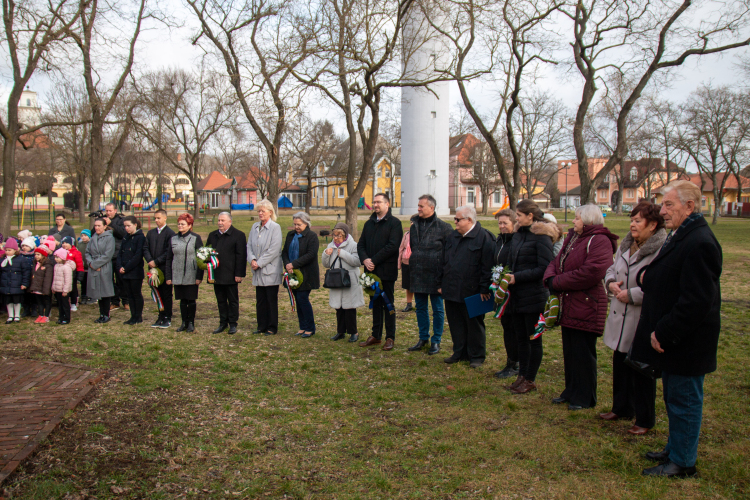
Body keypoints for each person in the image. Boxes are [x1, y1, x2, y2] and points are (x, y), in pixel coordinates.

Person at [630, 181, 722, 478]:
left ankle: (683, 462)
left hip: (686, 342)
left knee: (684, 400)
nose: (662, 210)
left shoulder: (701, 242)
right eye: (663, 204)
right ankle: (675, 448)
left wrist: (664, 331)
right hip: (674, 340)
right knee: (674, 398)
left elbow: (697, 301)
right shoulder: (682, 235)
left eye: (669, 204)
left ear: (690, 206)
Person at [600, 201, 666, 435]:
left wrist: (634, 295)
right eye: (632, 219)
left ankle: (645, 418)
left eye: (638, 220)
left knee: (641, 368)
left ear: (653, 225)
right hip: (620, 314)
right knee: (620, 363)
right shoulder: (626, 245)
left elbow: (662, 285)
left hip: (641, 316)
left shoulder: (662, 249)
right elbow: (611, 269)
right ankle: (621, 407)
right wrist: (611, 284)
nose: (632, 224)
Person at [544, 204, 618, 410]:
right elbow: (556, 261)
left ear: (587, 221)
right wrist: (550, 277)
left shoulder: (600, 240)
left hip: (587, 303)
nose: (573, 221)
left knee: (583, 352)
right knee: (570, 350)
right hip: (569, 302)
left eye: (577, 218)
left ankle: (585, 397)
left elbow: (592, 272)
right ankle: (571, 390)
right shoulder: (573, 237)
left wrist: (557, 282)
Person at [498, 200, 554, 393]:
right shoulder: (518, 236)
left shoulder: (542, 237)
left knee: (534, 339)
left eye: (519, 215)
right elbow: (513, 261)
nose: (517, 218)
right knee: (521, 338)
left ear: (530, 216)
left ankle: (530, 379)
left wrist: (517, 277)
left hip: (534, 297)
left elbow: (544, 268)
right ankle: (521, 375)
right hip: (517, 296)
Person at [440, 205, 495, 368]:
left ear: (469, 220)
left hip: (473, 290)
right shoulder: (452, 237)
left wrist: (485, 288)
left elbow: (488, 265)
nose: (455, 222)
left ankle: (476, 355)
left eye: (458, 219)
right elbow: (444, 260)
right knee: (455, 323)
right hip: (452, 288)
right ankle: (459, 352)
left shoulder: (484, 238)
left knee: (474, 324)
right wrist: (440, 283)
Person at [406, 194, 452, 356]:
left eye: (421, 206)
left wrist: (444, 278)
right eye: (418, 206)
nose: (418, 208)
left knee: (438, 309)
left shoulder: (444, 228)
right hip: (418, 273)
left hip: (436, 276)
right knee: (420, 308)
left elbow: (449, 254)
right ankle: (423, 337)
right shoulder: (414, 226)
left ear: (431, 208)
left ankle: (436, 340)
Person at [357, 193, 403, 351]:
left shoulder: (395, 224)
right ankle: (376, 335)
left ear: (387, 204)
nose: (375, 205)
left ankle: (390, 337)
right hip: (370, 272)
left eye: (379, 202)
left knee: (388, 304)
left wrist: (374, 260)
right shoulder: (369, 223)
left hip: (386, 271)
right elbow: (361, 244)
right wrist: (365, 260)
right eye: (374, 202)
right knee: (375, 303)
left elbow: (392, 246)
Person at [322, 222, 364, 342]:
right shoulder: (331, 245)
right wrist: (325, 254)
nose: (336, 238)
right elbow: (326, 264)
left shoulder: (353, 245)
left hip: (349, 280)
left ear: (345, 236)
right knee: (338, 307)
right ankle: (340, 332)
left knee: (349, 308)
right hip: (335, 279)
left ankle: (353, 332)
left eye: (339, 236)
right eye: (334, 235)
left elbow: (357, 262)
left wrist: (344, 254)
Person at [206, 212, 247, 335]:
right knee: (221, 300)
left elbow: (241, 256)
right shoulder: (212, 235)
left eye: (223, 220)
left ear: (230, 221)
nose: (220, 223)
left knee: (232, 300)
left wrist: (239, 274)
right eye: (219, 220)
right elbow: (206, 253)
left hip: (231, 274)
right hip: (217, 274)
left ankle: (233, 323)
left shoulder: (239, 235)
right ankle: (223, 322)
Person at [247, 200, 283, 336]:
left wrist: (259, 263)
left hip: (270, 270)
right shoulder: (255, 227)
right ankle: (261, 325)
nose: (260, 213)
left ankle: (272, 326)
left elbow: (274, 250)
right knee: (260, 300)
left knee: (270, 300)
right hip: (257, 270)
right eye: (259, 211)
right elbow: (249, 245)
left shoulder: (275, 227)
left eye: (263, 211)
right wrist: (252, 259)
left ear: (270, 212)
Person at [282, 212, 320, 338]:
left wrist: (294, 264)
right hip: (292, 273)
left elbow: (311, 254)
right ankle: (302, 327)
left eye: (299, 224)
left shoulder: (312, 236)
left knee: (303, 299)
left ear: (306, 223)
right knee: (298, 300)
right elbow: (285, 252)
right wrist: (288, 264)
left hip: (306, 273)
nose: (296, 226)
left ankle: (310, 327)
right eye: (295, 224)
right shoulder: (290, 235)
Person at [165, 213, 203, 333]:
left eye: (183, 224)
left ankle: (191, 322)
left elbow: (201, 258)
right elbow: (169, 258)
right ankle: (183, 322)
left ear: (190, 225)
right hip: (177, 274)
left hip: (191, 274)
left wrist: (199, 276)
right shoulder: (173, 239)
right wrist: (169, 276)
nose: (180, 226)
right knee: (182, 300)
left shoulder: (196, 238)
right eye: (179, 224)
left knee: (190, 300)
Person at [493, 209, 518, 379]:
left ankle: (517, 363)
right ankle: (510, 361)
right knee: (506, 327)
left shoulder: (517, 241)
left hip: (514, 291)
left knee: (515, 328)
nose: (502, 226)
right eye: (500, 223)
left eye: (505, 223)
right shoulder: (499, 240)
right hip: (501, 290)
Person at [143, 209, 176, 328]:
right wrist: (150, 261)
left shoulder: (170, 234)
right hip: (153, 270)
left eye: (158, 218)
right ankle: (160, 316)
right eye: (155, 218)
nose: (156, 220)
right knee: (157, 293)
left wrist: (156, 261)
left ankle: (167, 316)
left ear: (165, 218)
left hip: (164, 268)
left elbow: (169, 251)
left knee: (166, 293)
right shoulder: (151, 233)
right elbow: (145, 248)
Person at [117, 216, 146, 325]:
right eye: (125, 226)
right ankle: (132, 316)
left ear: (135, 225)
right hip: (124, 272)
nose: (126, 228)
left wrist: (127, 267)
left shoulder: (140, 237)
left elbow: (138, 256)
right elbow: (120, 253)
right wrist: (120, 266)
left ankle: (138, 316)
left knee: (136, 294)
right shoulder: (125, 238)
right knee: (129, 295)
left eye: (128, 226)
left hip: (135, 272)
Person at [86, 218, 116, 324]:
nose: (97, 228)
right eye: (95, 226)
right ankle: (101, 314)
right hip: (94, 267)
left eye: (99, 225)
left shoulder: (109, 238)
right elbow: (87, 252)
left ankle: (106, 314)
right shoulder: (93, 238)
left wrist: (96, 264)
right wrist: (91, 264)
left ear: (104, 226)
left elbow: (108, 255)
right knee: (97, 291)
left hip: (104, 267)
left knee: (105, 291)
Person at [103, 202, 128, 312]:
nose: (108, 213)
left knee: (121, 279)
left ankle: (126, 301)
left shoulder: (121, 221)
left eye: (110, 211)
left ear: (115, 210)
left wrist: (111, 224)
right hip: (107, 254)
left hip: (118, 254)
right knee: (109, 280)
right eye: (106, 211)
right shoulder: (103, 220)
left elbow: (123, 233)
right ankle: (114, 301)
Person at [0, 238, 31, 323]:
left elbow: (26, 272)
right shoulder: (3, 260)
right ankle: (10, 316)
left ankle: (17, 315)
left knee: (17, 301)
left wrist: (25, 283)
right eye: (6, 250)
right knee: (8, 301)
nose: (7, 252)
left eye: (9, 250)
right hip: (6, 285)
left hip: (17, 285)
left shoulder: (21, 260)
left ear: (15, 250)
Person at [29, 244, 54, 323]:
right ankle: (41, 315)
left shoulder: (48, 265)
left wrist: (46, 290)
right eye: (35, 254)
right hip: (37, 287)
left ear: (43, 255)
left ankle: (46, 316)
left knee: (46, 302)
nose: (36, 256)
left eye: (38, 254)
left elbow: (48, 278)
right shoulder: (35, 264)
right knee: (39, 302)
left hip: (44, 288)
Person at [51, 248, 76, 325]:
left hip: (64, 290)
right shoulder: (56, 266)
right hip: (58, 289)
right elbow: (55, 278)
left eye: (57, 257)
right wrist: (53, 287)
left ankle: (66, 318)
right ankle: (61, 317)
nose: (56, 259)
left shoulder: (66, 267)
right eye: (55, 257)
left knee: (65, 304)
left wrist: (65, 290)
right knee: (60, 304)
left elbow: (68, 280)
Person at [61, 236, 83, 312]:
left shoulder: (75, 253)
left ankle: (74, 303)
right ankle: (66, 302)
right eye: (63, 243)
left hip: (72, 275)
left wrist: (80, 274)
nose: (64, 245)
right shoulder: (61, 252)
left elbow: (79, 264)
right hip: (63, 274)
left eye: (66, 243)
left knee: (73, 289)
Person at [19, 237, 37, 318]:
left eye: (26, 245)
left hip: (32, 277)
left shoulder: (34, 256)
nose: (24, 247)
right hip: (23, 277)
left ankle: (34, 309)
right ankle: (26, 309)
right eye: (23, 246)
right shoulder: (20, 255)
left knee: (33, 295)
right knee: (24, 295)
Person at [397, 229, 414, 312]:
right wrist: (399, 263)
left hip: (416, 263)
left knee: (416, 285)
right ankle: (409, 304)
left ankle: (419, 305)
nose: (412, 224)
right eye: (411, 222)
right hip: (406, 262)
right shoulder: (406, 234)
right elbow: (401, 248)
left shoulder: (420, 233)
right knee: (408, 285)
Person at [77, 229, 91, 304]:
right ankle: (83, 296)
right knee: (83, 283)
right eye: (82, 236)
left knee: (89, 283)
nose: (83, 237)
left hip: (90, 267)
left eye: (85, 235)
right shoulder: (80, 244)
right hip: (82, 267)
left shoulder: (91, 244)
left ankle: (90, 296)